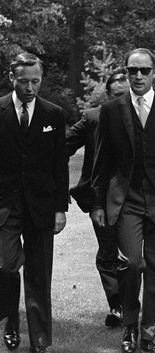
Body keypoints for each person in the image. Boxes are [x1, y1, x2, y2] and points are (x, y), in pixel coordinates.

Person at [90, 48, 155, 353]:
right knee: (132, 263)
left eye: (144, 70)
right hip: (127, 199)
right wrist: (97, 204)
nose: (137, 76)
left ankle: (148, 335)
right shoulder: (111, 110)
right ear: (126, 71)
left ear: (154, 72)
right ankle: (130, 327)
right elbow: (102, 161)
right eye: (132, 70)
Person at [0, 52, 68, 353]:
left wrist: (60, 208)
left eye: (35, 81)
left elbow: (59, 164)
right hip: (5, 206)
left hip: (41, 206)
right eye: (24, 81)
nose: (30, 87)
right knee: (6, 268)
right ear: (11, 78)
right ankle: (10, 319)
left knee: (40, 275)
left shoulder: (53, 113)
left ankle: (40, 341)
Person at [66, 73, 130, 327]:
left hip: (137, 196)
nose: (124, 100)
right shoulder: (93, 117)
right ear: (108, 96)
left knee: (134, 256)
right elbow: (61, 148)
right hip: (100, 198)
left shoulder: (146, 116)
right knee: (108, 252)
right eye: (117, 96)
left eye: (127, 94)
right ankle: (117, 306)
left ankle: (130, 303)